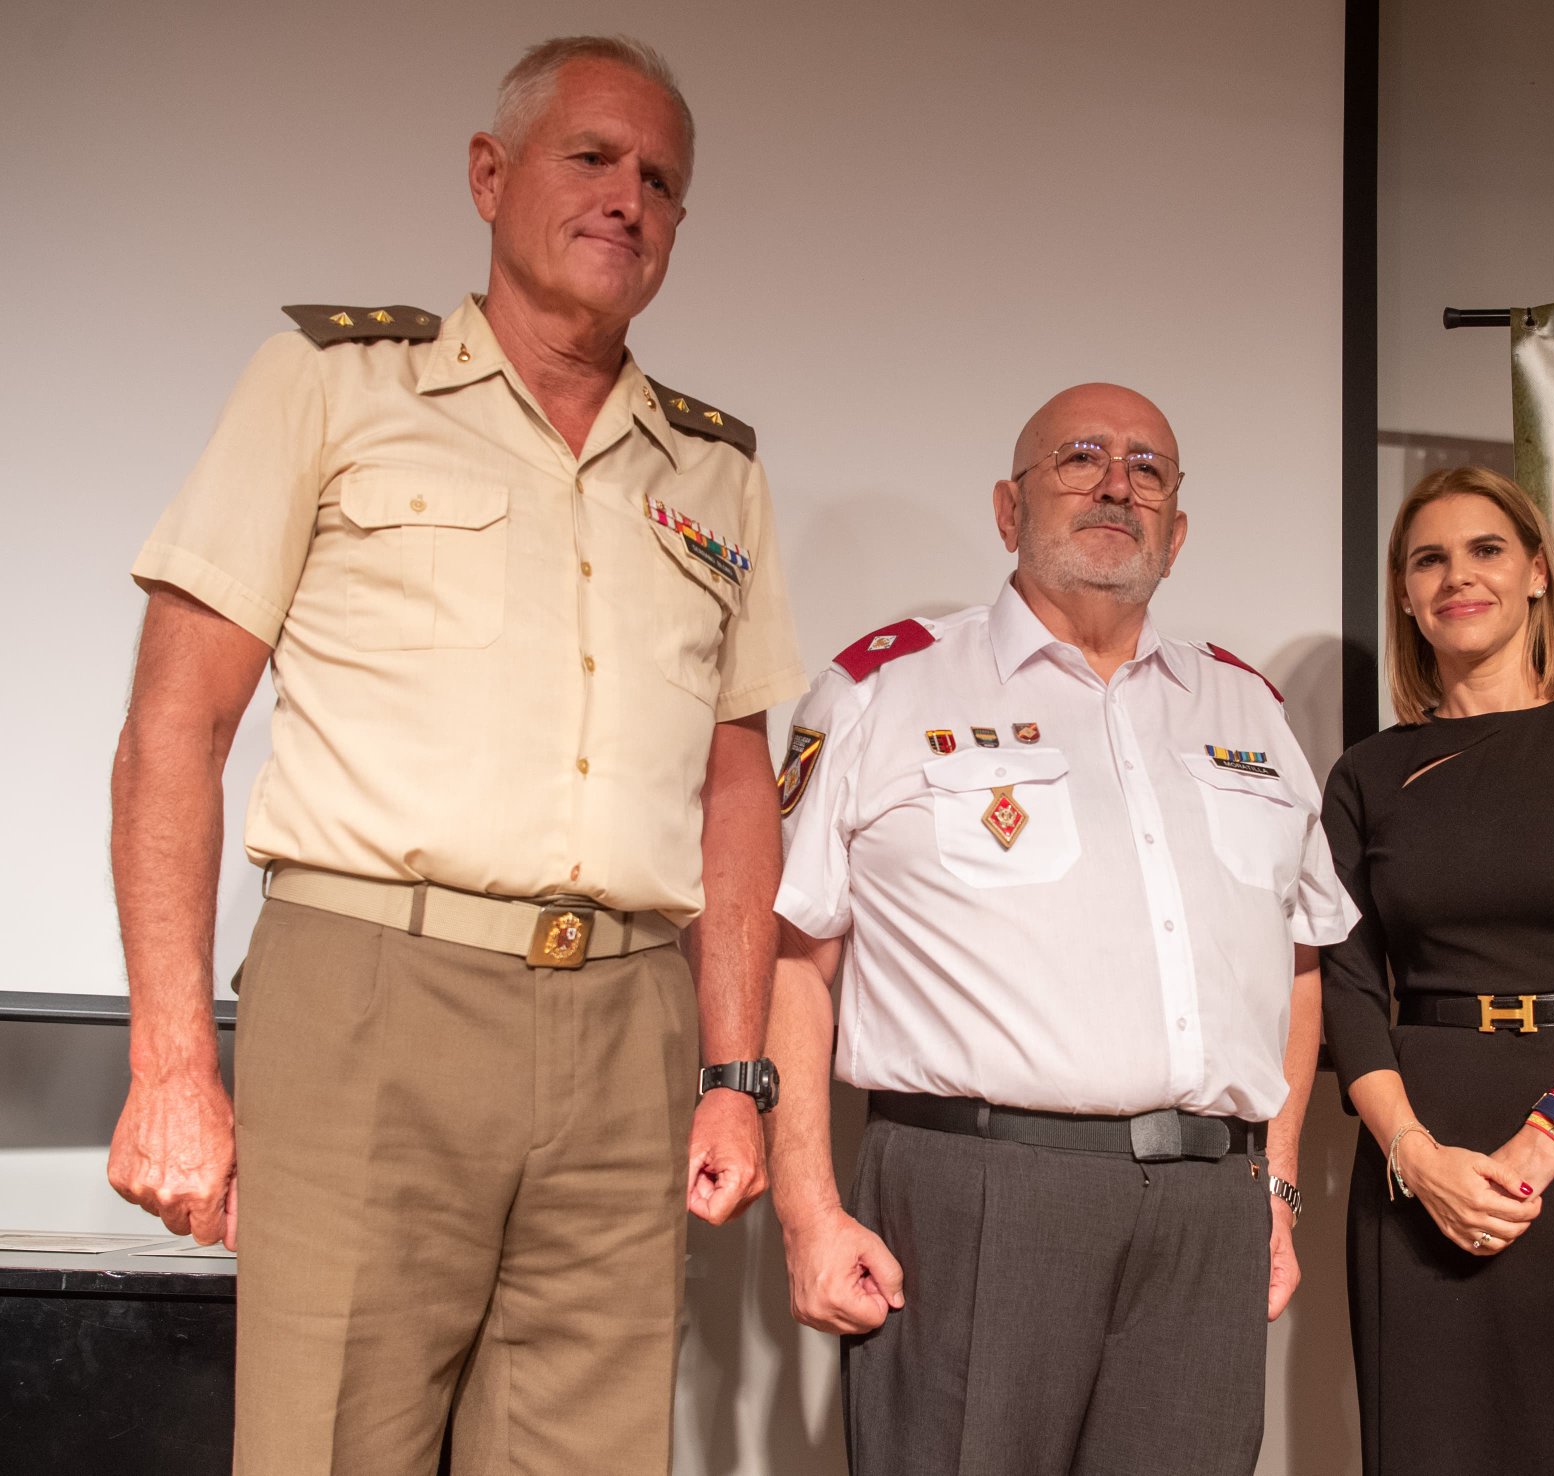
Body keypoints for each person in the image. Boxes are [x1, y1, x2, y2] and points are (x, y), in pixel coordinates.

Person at [103, 35, 805, 1474]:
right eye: (591, 157)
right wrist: (169, 1062)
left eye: (660, 179)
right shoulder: (331, 387)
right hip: (373, 997)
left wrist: (735, 1071)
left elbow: (733, 787)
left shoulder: (715, 471)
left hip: (628, 1026)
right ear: (490, 176)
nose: (627, 198)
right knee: (328, 1445)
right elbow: (177, 723)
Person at [762, 382, 1355, 1476]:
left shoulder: (1247, 711)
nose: (1116, 484)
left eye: (1147, 468)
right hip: (981, 1193)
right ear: (1008, 509)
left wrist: (1273, 1188)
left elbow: (1298, 966)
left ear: (1176, 530)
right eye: (1080, 457)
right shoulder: (883, 689)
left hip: (1206, 1211)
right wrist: (806, 1208)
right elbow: (796, 958)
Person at [1321, 466, 1554, 1475]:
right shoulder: (1365, 775)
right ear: (1406, 597)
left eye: (1484, 549)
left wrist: (1546, 1141)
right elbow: (1346, 987)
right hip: (1423, 1156)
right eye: (1428, 560)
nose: (1458, 576)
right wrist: (1415, 1160)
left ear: (1535, 571)